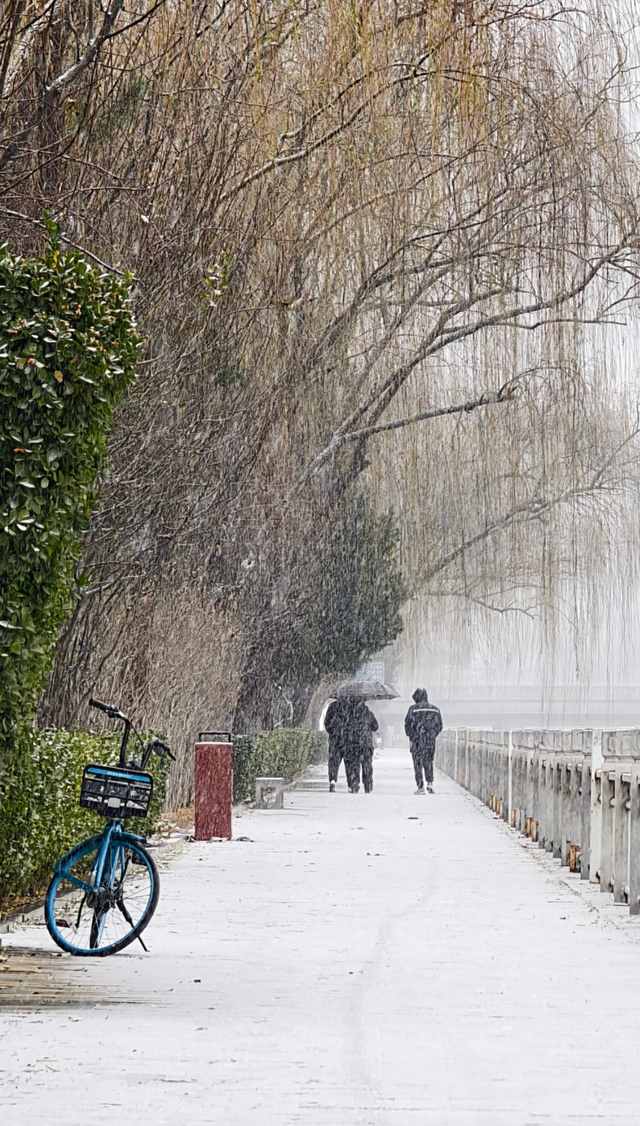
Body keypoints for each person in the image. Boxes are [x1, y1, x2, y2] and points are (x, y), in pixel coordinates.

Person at [404, 688, 443, 794]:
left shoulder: (413, 709)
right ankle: (430, 782)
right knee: (428, 762)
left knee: (417, 764)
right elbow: (439, 725)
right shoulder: (435, 710)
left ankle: (420, 786)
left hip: (416, 741)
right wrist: (432, 735)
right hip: (430, 742)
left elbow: (407, 725)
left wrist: (412, 735)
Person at [348, 701, 378, 794]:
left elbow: (346, 727)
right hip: (367, 744)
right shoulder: (369, 714)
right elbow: (376, 727)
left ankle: (354, 784)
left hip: (354, 744)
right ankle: (368, 785)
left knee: (354, 765)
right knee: (367, 765)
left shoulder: (351, 715)